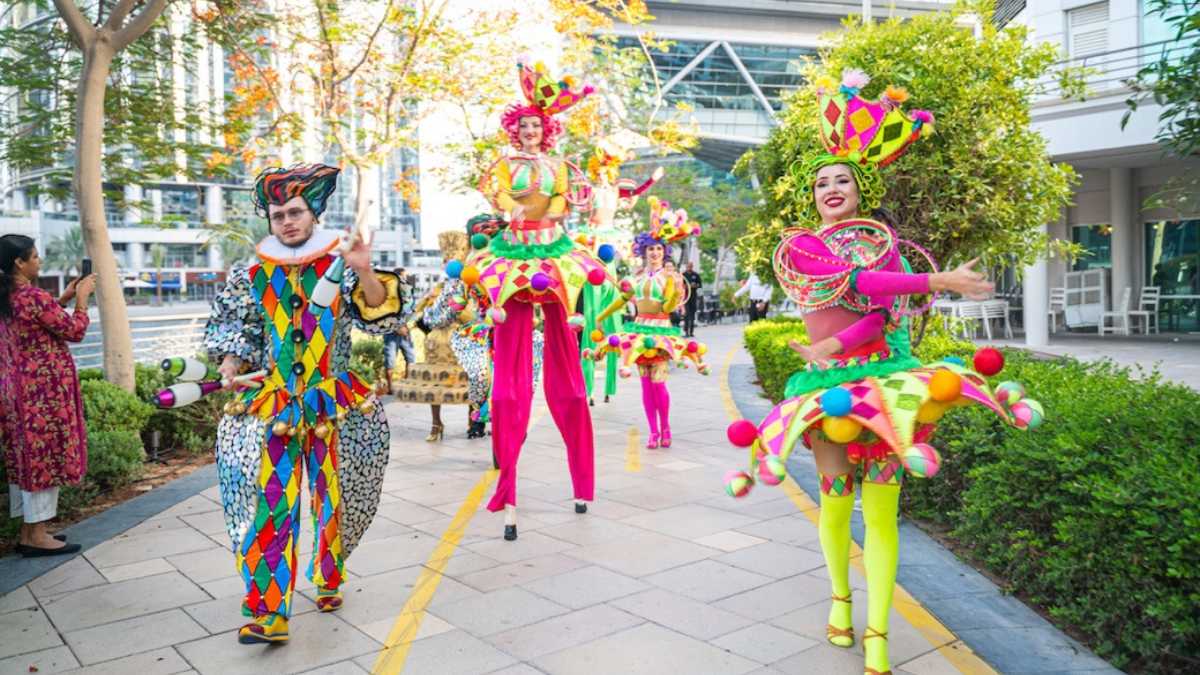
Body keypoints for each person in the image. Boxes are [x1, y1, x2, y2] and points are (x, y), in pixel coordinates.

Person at [723, 71, 1042, 675]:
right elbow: (854, 286)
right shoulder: (803, 249)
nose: (830, 188)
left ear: (862, 188)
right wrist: (933, 283)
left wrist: (921, 289)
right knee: (836, 507)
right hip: (827, 392)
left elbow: (874, 311)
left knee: (882, 514)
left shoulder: (881, 245)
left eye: (842, 178)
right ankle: (840, 605)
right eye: (821, 182)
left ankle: (878, 634)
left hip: (886, 385)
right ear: (811, 196)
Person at [204, 164, 404, 644]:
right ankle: (270, 611)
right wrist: (232, 365)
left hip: (333, 402)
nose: (287, 222)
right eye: (278, 216)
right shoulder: (251, 271)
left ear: (313, 213)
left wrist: (362, 269)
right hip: (275, 407)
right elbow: (240, 331)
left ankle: (329, 574)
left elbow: (381, 317)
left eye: (295, 212)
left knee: (331, 500)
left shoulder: (340, 261)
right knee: (271, 505)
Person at [466, 58, 606, 540]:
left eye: (535, 125)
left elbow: (564, 200)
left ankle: (582, 482)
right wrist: (512, 207)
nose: (529, 131)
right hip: (514, 251)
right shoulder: (503, 166)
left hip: (553, 249)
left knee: (568, 384)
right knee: (508, 386)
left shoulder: (557, 166)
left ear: (545, 130)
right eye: (523, 124)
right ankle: (508, 486)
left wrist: (549, 206)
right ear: (515, 129)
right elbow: (500, 197)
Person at [0, 234, 95, 557]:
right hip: (43, 394)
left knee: (25, 458)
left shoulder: (9, 297)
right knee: (44, 457)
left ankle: (29, 530)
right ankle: (37, 535)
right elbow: (74, 331)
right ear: (19, 262)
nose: (39, 261)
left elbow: (34, 325)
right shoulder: (33, 297)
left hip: (16, 393)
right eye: (35, 256)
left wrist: (63, 300)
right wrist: (82, 300)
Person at [593, 197, 709, 449]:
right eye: (650, 249)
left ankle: (666, 426)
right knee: (645, 385)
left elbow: (668, 308)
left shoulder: (672, 278)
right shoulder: (637, 277)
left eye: (658, 249)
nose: (654, 253)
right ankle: (653, 432)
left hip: (660, 332)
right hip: (638, 330)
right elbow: (622, 299)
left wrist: (671, 285)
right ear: (643, 252)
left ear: (664, 252)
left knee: (659, 383)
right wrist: (600, 318)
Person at [393, 231, 476, 441]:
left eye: (453, 261)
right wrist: (427, 304)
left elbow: (472, 317)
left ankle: (473, 421)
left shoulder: (470, 286)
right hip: (436, 342)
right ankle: (436, 424)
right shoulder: (439, 288)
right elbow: (419, 311)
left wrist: (457, 309)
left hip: (461, 341)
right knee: (435, 385)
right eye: (446, 261)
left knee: (469, 381)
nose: (448, 265)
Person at [382, 267, 416, 393]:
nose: (406, 279)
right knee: (390, 360)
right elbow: (385, 313)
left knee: (411, 359)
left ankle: (407, 385)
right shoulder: (388, 293)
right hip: (391, 332)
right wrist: (397, 328)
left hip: (405, 331)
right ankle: (390, 388)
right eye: (403, 276)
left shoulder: (407, 292)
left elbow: (410, 311)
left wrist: (406, 327)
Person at [681, 261, 702, 337]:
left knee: (692, 314)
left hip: (693, 297)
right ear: (686, 267)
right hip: (685, 297)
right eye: (688, 266)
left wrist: (695, 286)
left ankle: (691, 331)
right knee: (686, 314)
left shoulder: (696, 275)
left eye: (691, 266)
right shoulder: (683, 275)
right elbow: (680, 285)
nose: (689, 268)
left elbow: (700, 285)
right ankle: (686, 331)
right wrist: (686, 286)